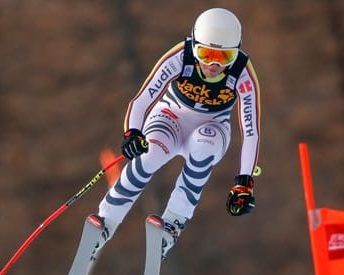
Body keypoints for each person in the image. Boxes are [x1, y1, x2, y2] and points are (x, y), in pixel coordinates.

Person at [90, 7, 260, 260]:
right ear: (195, 45)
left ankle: (173, 223)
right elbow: (142, 99)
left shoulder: (243, 74)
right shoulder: (180, 57)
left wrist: (244, 183)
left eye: (224, 57)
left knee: (204, 146)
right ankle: (107, 219)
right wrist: (132, 132)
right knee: (151, 154)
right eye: (206, 53)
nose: (213, 65)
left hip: (212, 127)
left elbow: (251, 132)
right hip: (172, 116)